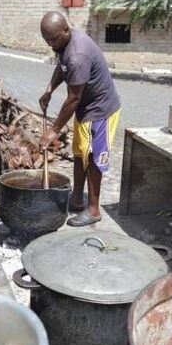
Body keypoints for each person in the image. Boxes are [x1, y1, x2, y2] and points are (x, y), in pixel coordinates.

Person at [39, 12, 121, 227]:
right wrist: (49, 90)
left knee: (94, 158)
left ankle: (93, 210)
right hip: (84, 109)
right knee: (79, 154)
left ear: (66, 30)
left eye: (54, 39)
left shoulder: (78, 54)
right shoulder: (63, 44)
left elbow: (73, 98)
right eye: (47, 40)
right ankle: (76, 199)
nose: (50, 44)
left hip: (100, 110)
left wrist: (54, 130)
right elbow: (62, 66)